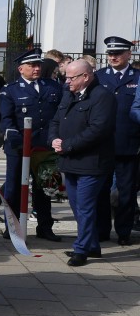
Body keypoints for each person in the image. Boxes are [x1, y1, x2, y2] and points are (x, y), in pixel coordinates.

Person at [50, 59, 115, 266]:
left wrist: (67, 145)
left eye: (71, 77)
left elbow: (98, 130)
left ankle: (81, 249)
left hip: (92, 162)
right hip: (70, 161)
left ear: (85, 76)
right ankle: (92, 244)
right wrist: (54, 139)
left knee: (85, 206)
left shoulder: (102, 96)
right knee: (77, 206)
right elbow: (56, 120)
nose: (67, 81)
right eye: (66, 77)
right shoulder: (69, 94)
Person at [0, 50, 63, 243]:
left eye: (38, 65)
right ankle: (13, 227)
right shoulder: (10, 90)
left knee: (45, 188)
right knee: (14, 188)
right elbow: (6, 119)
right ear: (21, 69)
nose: (36, 69)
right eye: (32, 65)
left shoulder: (52, 86)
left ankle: (45, 227)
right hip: (18, 147)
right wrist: (15, 137)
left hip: (44, 147)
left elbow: (59, 114)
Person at [96, 36, 140, 247]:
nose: (113, 57)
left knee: (126, 192)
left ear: (129, 54)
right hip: (101, 144)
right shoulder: (98, 76)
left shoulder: (137, 77)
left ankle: (124, 231)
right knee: (100, 190)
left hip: (128, 143)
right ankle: (102, 230)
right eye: (110, 53)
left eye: (118, 53)